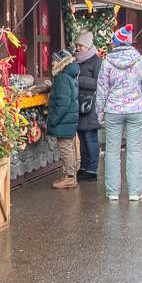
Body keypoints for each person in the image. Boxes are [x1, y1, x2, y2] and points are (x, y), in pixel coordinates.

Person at [95, 23, 142, 202]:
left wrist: (100, 113)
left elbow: (102, 90)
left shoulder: (106, 63)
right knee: (135, 151)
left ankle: (113, 192)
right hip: (136, 109)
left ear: (115, 43)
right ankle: (135, 192)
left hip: (113, 110)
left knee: (112, 152)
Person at [47, 48, 79, 190]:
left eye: (54, 60)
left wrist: (53, 120)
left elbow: (63, 102)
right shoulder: (69, 75)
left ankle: (70, 177)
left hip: (63, 120)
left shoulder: (61, 77)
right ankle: (69, 176)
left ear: (61, 62)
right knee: (69, 148)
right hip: (69, 118)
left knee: (66, 148)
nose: (52, 63)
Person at [74, 31, 103, 182]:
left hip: (90, 104)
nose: (77, 48)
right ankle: (84, 167)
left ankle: (92, 170)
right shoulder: (76, 60)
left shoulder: (96, 61)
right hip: (79, 104)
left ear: (88, 46)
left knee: (91, 137)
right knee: (82, 138)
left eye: (80, 46)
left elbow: (99, 82)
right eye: (77, 45)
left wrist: (79, 80)